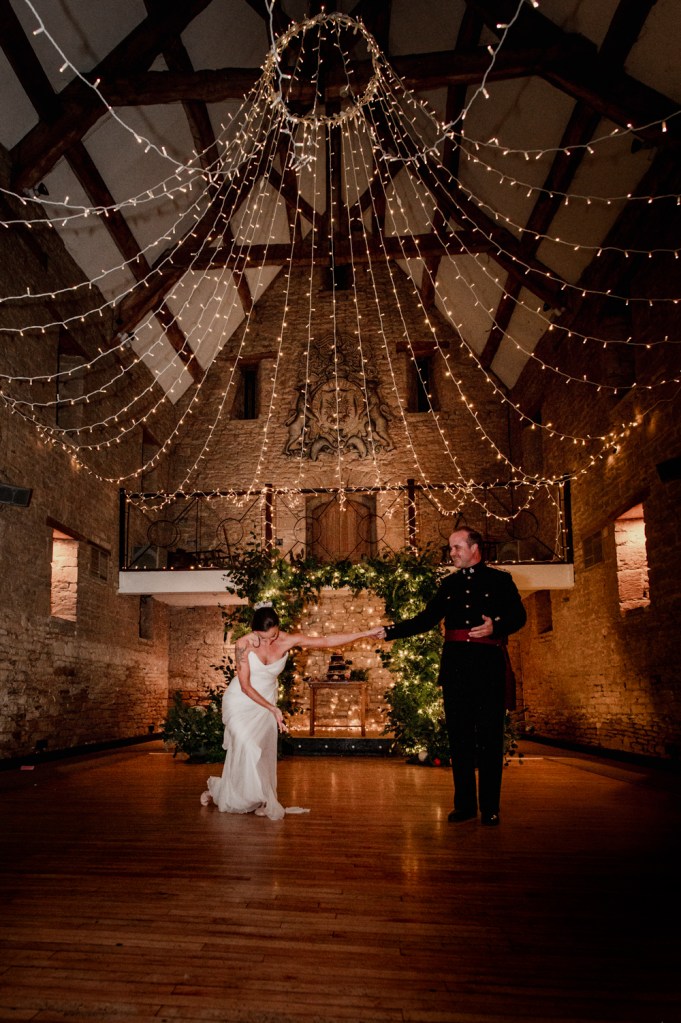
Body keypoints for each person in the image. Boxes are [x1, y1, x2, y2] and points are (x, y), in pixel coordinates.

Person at [377, 528, 526, 826]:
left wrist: (495, 627)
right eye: (451, 548)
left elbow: (518, 616)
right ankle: (465, 805)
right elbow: (426, 619)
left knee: (489, 739)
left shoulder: (500, 580)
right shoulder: (448, 585)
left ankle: (490, 808)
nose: (452, 553)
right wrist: (389, 631)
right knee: (459, 739)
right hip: (456, 670)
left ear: (475, 548)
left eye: (457, 547)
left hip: (489, 669)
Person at [200, 602, 383, 820]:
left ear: (278, 626)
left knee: (258, 754)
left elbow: (325, 641)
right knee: (247, 746)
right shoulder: (243, 645)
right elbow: (245, 686)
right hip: (241, 701)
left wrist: (365, 633)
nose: (267, 641)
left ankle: (227, 793)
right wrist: (273, 709)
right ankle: (233, 792)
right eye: (261, 637)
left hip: (267, 701)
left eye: (272, 636)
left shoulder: (288, 640)